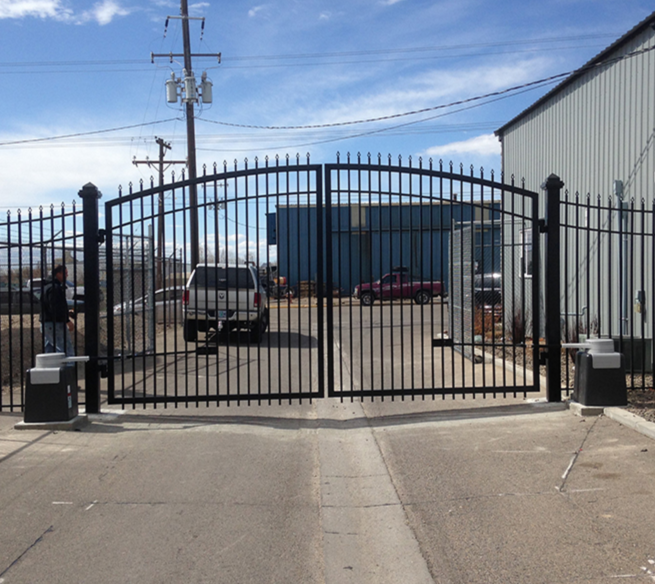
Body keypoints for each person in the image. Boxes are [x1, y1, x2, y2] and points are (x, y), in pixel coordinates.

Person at [40, 265, 75, 356]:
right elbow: (55, 307)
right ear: (58, 274)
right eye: (65, 273)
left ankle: (49, 368)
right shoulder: (54, 288)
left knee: (50, 350)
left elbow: (50, 306)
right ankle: (68, 368)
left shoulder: (47, 286)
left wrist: (66, 313)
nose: (67, 276)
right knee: (65, 349)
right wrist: (67, 320)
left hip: (46, 323)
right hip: (55, 324)